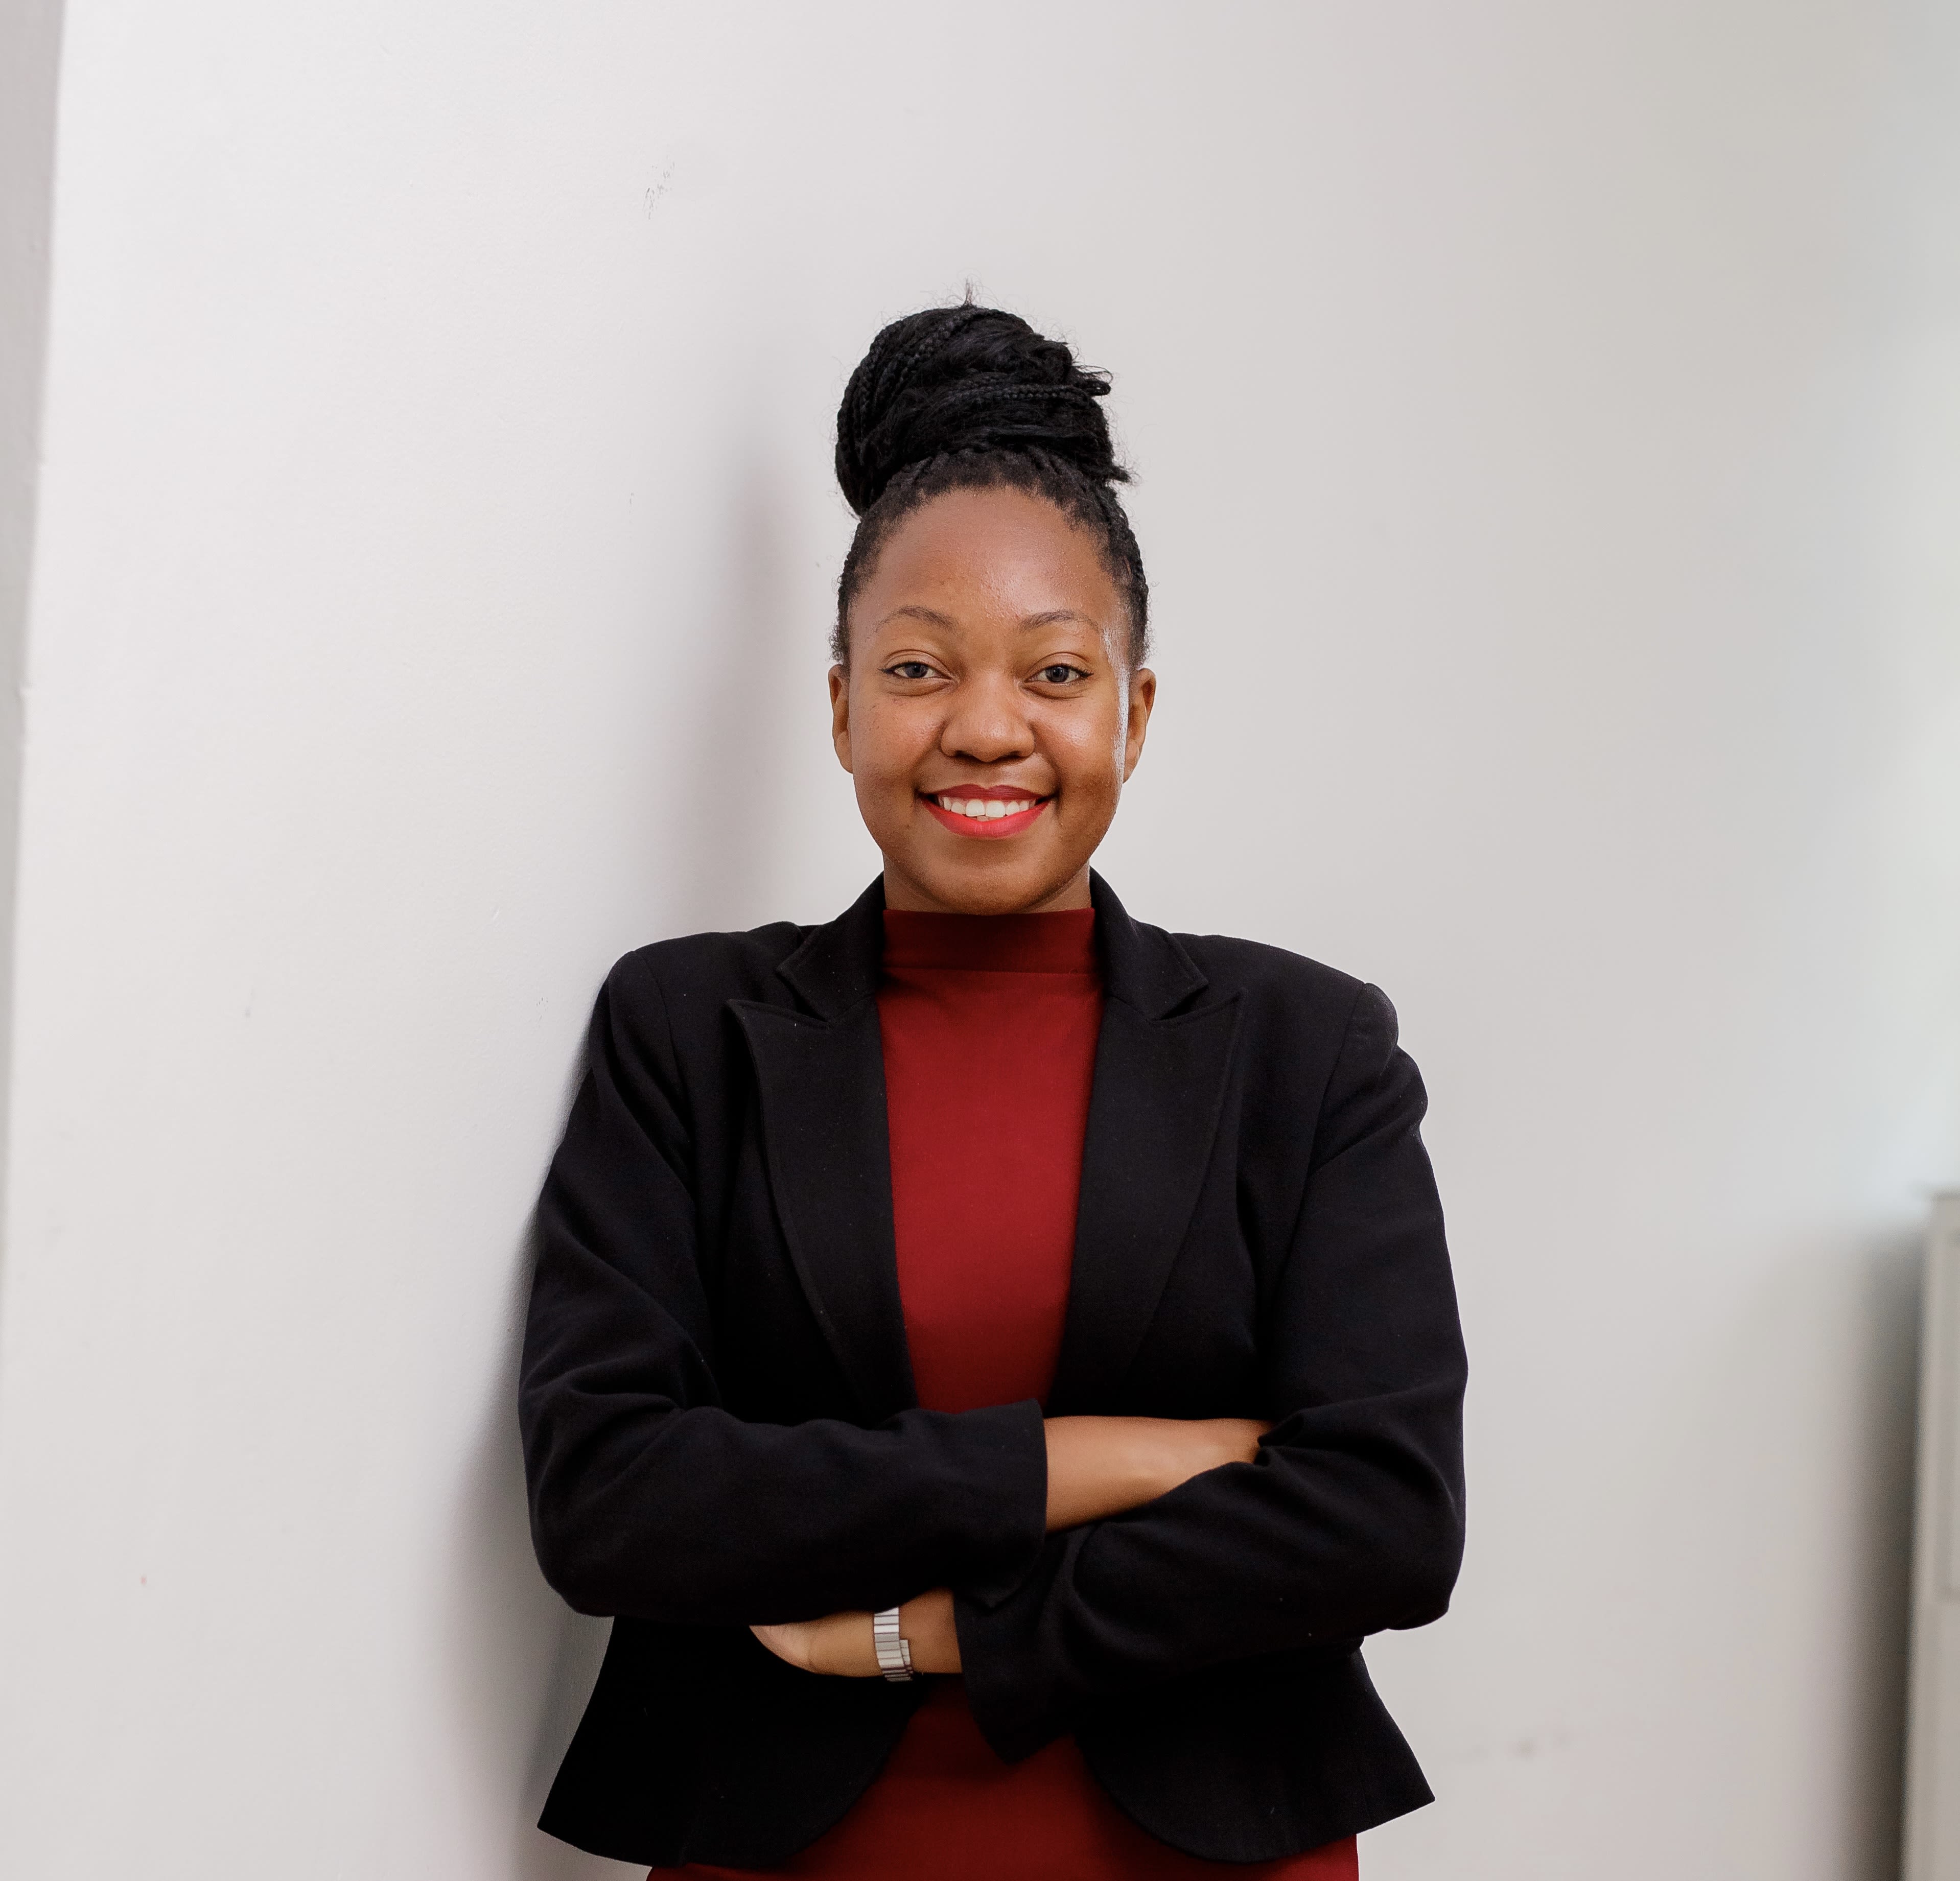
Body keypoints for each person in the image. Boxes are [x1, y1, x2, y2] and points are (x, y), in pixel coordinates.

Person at [518, 304, 1467, 1879]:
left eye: (1053, 670)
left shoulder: (1306, 1050)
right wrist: (1098, 1458)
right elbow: (612, 1499)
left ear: (1131, 715)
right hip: (782, 1850)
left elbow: (1384, 1519)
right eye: (916, 667)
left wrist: (942, 1631)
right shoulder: (686, 1030)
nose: (983, 726)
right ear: (840, 705)